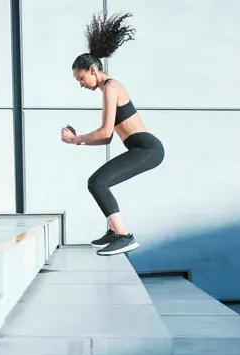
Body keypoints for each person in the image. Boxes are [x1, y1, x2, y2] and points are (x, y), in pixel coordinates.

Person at [61, 12, 165, 256]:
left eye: (81, 78)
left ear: (93, 70)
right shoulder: (108, 88)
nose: (81, 84)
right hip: (141, 148)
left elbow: (105, 132)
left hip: (147, 148)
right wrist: (79, 141)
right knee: (99, 182)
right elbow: (107, 138)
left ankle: (124, 236)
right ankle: (113, 231)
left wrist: (75, 139)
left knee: (97, 182)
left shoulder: (111, 88)